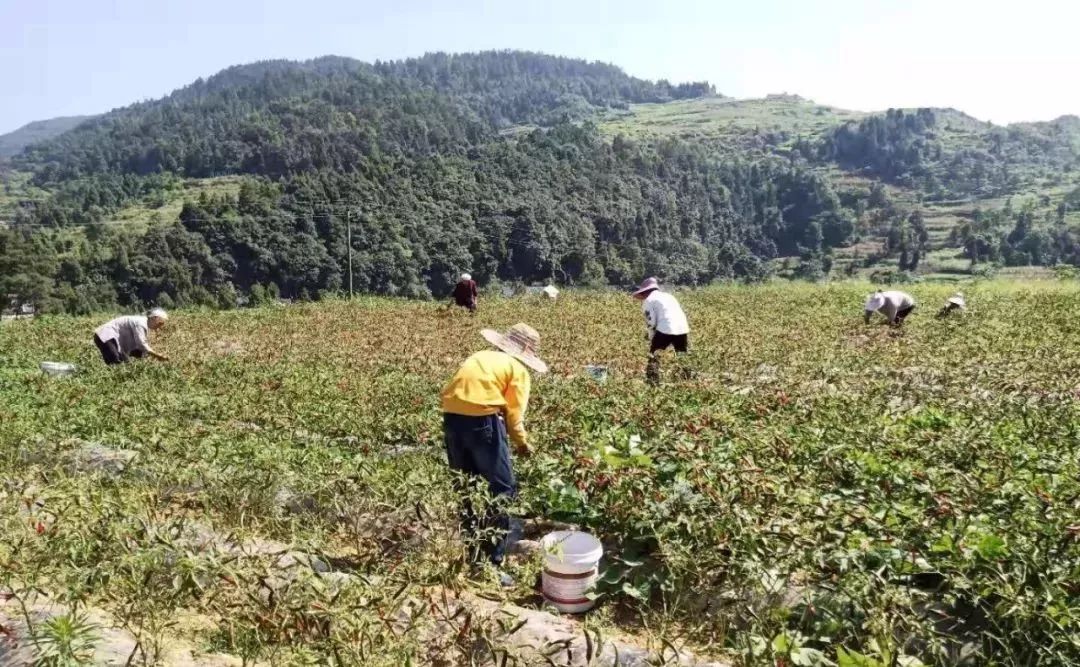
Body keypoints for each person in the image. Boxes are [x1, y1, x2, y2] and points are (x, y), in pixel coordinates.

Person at [441, 324, 547, 586]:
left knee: (467, 486)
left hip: (452, 419)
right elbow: (514, 417)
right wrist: (522, 444)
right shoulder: (518, 370)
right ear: (527, 353)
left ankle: (473, 556)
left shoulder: (480, 356)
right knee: (502, 489)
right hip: (483, 422)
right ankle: (492, 564)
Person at [632, 277, 690, 383]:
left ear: (645, 292)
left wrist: (651, 337)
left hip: (666, 328)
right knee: (682, 354)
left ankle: (652, 381)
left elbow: (651, 323)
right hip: (682, 327)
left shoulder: (649, 300)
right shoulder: (669, 296)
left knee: (654, 354)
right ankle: (686, 379)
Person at [93, 308, 170, 365]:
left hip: (109, 338)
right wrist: (157, 356)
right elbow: (141, 344)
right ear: (154, 318)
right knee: (116, 363)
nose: (159, 327)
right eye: (160, 323)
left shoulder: (143, 325)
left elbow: (138, 349)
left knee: (125, 364)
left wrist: (147, 360)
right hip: (106, 336)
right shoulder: (141, 323)